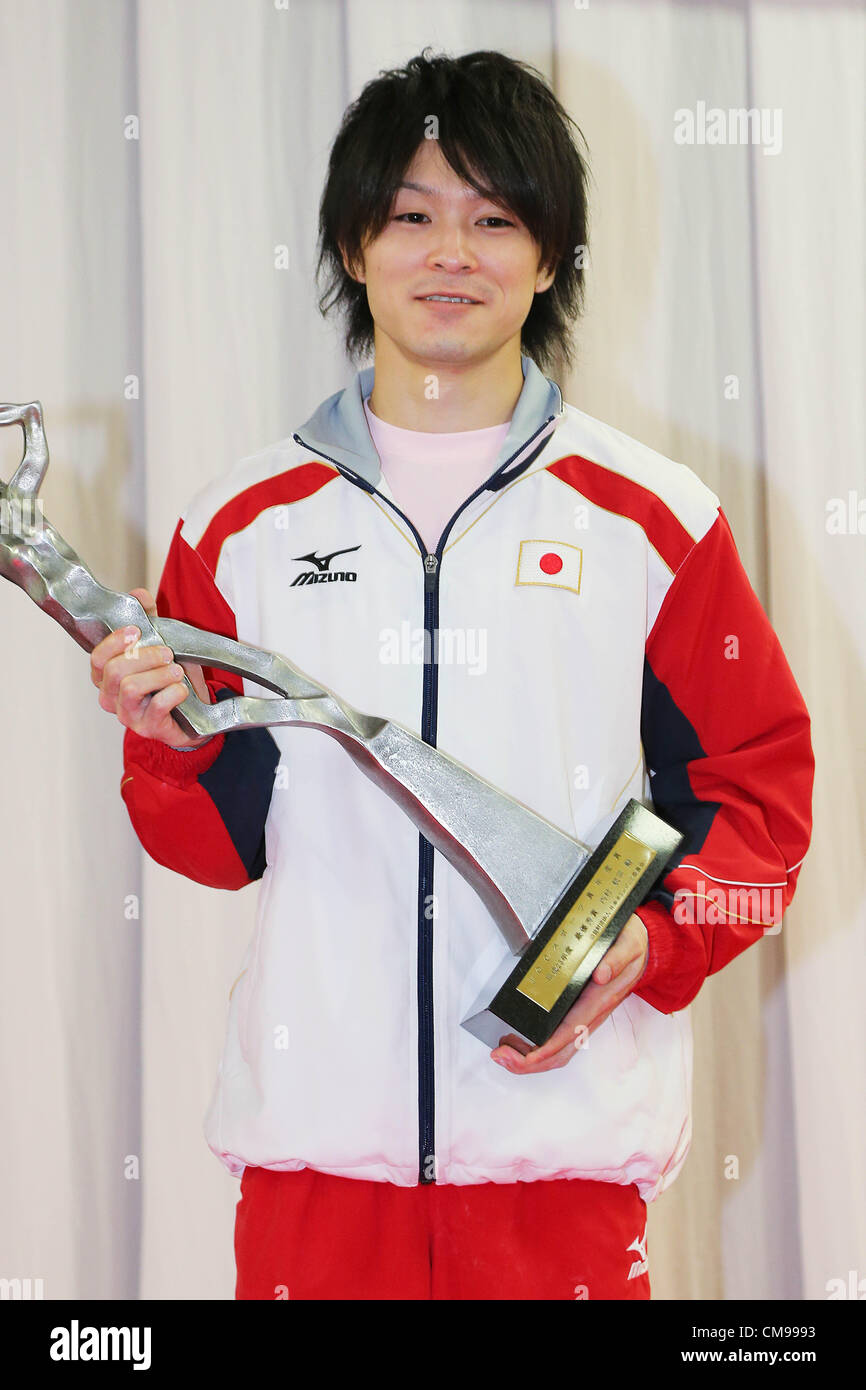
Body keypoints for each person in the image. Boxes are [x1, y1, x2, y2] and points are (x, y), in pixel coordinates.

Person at [90, 49, 814, 1300]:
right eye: (411, 216)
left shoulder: (652, 520)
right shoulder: (240, 524)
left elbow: (758, 798)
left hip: (561, 1162)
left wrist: (656, 940)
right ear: (352, 245)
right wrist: (166, 747)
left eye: (492, 221)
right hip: (318, 1171)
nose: (450, 255)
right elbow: (214, 848)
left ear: (549, 257)